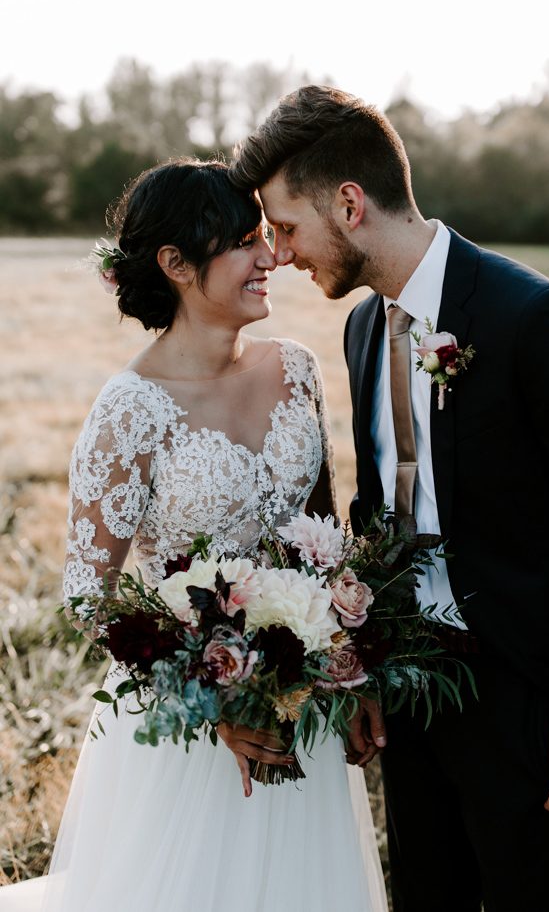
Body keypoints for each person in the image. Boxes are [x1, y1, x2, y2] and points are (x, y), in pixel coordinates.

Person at [230, 87, 549, 912]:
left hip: (522, 694)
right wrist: (362, 671)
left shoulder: (537, 319)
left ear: (351, 204)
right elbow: (379, 510)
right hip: (409, 691)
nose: (283, 255)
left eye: (287, 228)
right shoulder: (365, 329)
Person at [0, 159, 387, 912]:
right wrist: (214, 704)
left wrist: (351, 670)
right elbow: (89, 600)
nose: (271, 257)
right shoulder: (129, 412)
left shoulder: (298, 370)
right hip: (192, 731)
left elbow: (324, 540)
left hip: (301, 707)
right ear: (176, 265)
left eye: (266, 238)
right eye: (245, 242)